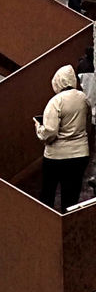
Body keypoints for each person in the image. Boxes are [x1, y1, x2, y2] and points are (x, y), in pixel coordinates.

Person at [34, 64, 91, 211]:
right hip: (80, 154)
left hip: (56, 157)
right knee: (71, 196)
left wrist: (38, 128)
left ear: (57, 81)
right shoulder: (83, 97)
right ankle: (67, 225)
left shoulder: (55, 101)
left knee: (48, 193)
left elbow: (50, 132)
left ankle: (48, 227)